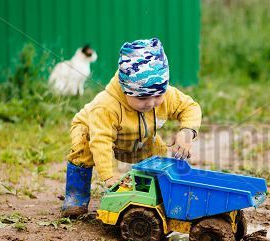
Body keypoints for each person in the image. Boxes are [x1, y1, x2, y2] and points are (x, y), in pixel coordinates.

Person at [61, 38, 202, 217]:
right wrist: (109, 177)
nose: (151, 103)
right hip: (92, 131)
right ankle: (76, 196)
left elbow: (190, 107)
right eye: (142, 98)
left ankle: (154, 192)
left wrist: (186, 132)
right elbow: (101, 142)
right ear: (126, 89)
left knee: (157, 152)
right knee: (83, 147)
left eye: (158, 96)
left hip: (138, 138)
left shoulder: (164, 95)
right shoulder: (106, 107)